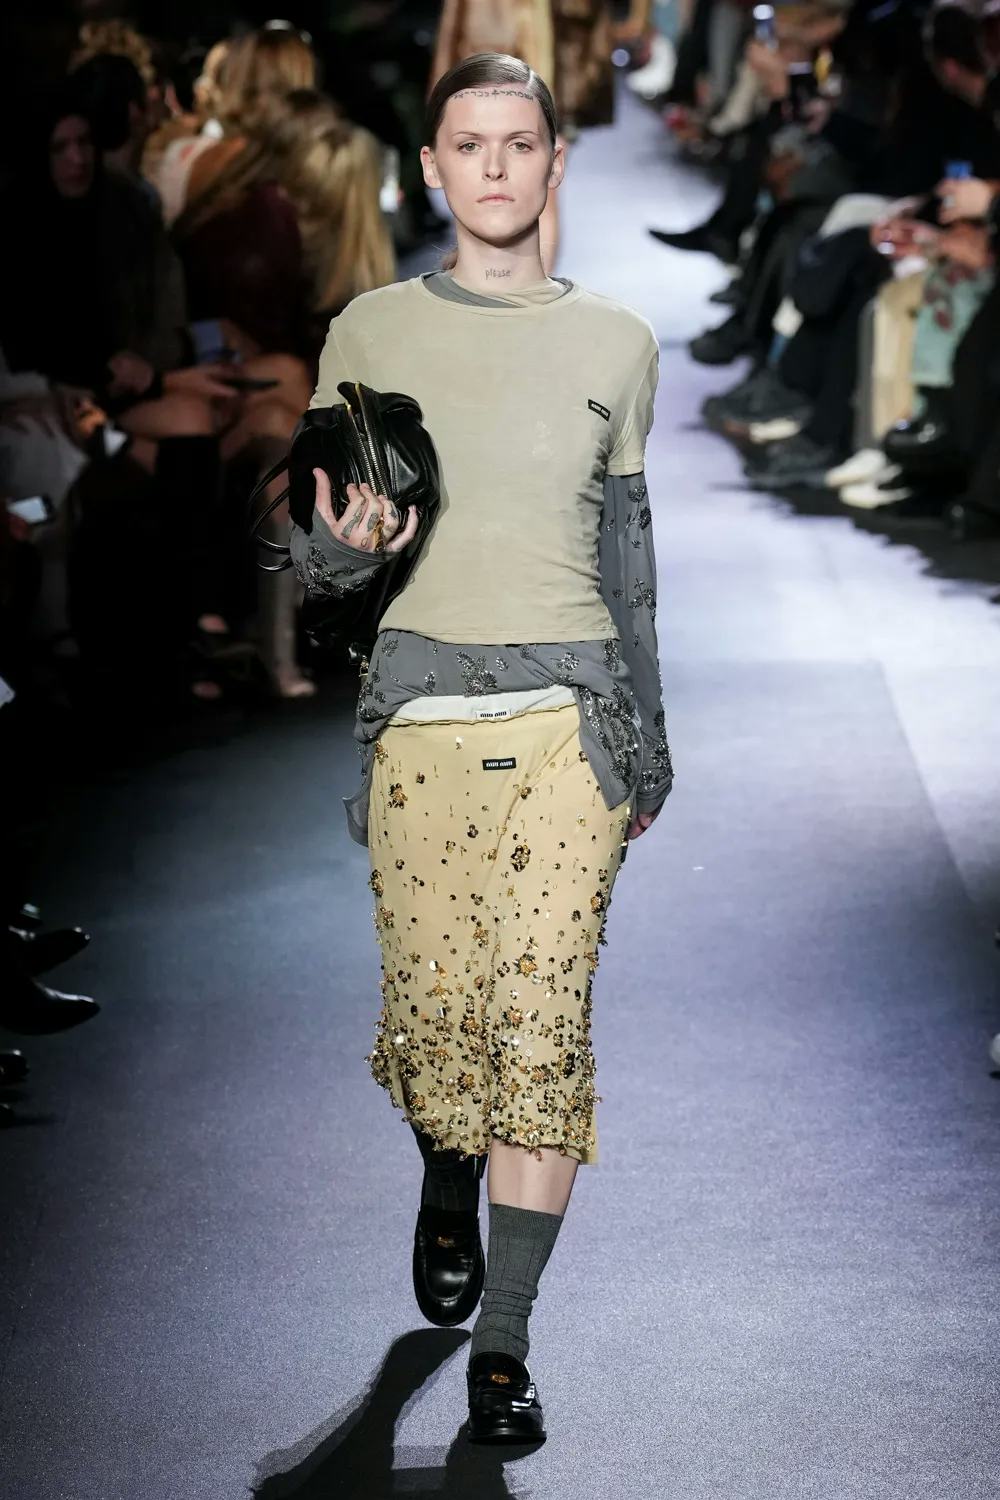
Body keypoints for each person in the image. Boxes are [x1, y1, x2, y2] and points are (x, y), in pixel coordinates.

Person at [288, 51, 673, 1444]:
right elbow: (317, 566)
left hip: (572, 721)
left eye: (521, 144)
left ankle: (503, 1344)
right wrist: (344, 549)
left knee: (544, 1026)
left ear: (554, 164)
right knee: (440, 1023)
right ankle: (447, 1172)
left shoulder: (619, 341)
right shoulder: (369, 331)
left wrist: (650, 742)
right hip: (418, 722)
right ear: (433, 168)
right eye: (471, 144)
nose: (497, 167)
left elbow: (629, 560)